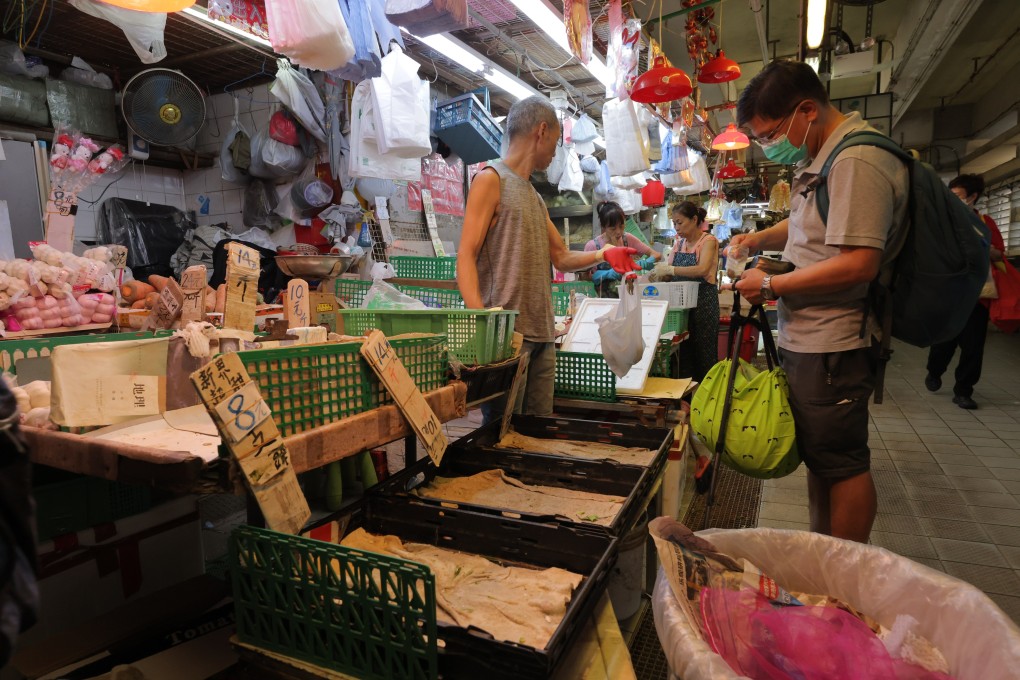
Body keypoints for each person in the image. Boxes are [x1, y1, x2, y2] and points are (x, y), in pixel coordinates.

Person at [730, 59, 909, 544]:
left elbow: (858, 263)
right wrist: (757, 239)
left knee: (843, 465)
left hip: (835, 340)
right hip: (812, 338)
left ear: (806, 110)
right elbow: (815, 225)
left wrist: (769, 287)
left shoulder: (856, 161)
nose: (769, 146)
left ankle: (841, 577)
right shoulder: (826, 158)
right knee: (823, 459)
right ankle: (821, 556)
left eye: (770, 134)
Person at [458, 96, 639, 419]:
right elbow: (466, 257)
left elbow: (561, 257)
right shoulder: (490, 180)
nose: (555, 152)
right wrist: (484, 324)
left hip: (542, 335)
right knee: (503, 435)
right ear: (541, 131)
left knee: (539, 433)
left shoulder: (534, 197)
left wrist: (604, 252)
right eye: (555, 142)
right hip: (507, 337)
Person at [925, 174, 1006, 409]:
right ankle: (934, 370)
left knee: (973, 347)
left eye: (958, 196)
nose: (953, 200)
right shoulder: (943, 221)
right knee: (944, 341)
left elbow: (999, 254)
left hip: (977, 296)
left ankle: (963, 390)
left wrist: (983, 247)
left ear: (973, 197)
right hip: (949, 292)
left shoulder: (985, 222)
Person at [651, 201, 719, 382]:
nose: (676, 227)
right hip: (681, 308)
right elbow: (670, 274)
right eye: (674, 223)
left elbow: (702, 269)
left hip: (704, 304)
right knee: (684, 351)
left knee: (704, 352)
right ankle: (687, 397)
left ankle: (709, 394)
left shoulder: (708, 241)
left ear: (694, 219)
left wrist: (671, 270)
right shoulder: (679, 244)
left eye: (680, 222)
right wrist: (657, 275)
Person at [584, 200, 660, 297]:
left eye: (621, 226)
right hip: (604, 299)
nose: (619, 232)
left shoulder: (627, 239)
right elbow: (584, 277)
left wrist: (645, 262)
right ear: (603, 227)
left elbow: (657, 255)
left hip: (629, 295)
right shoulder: (593, 246)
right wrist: (606, 274)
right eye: (613, 228)